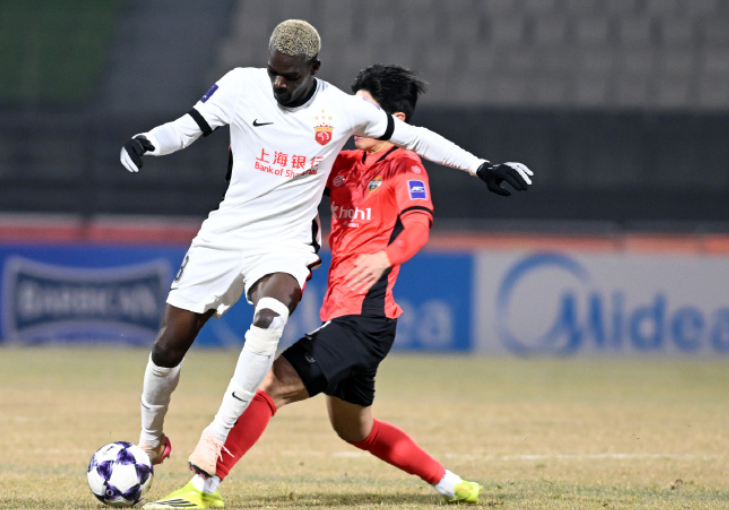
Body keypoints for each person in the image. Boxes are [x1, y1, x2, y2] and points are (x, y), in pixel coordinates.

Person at [120, 19, 533, 481]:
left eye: (290, 75)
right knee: (172, 346)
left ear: (313, 68)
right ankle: (150, 441)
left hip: (309, 264)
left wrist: (481, 167)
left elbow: (417, 148)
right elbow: (191, 128)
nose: (279, 83)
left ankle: (214, 446)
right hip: (231, 239)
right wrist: (148, 142)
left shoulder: (359, 126)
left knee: (271, 331)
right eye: (274, 72)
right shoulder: (248, 91)